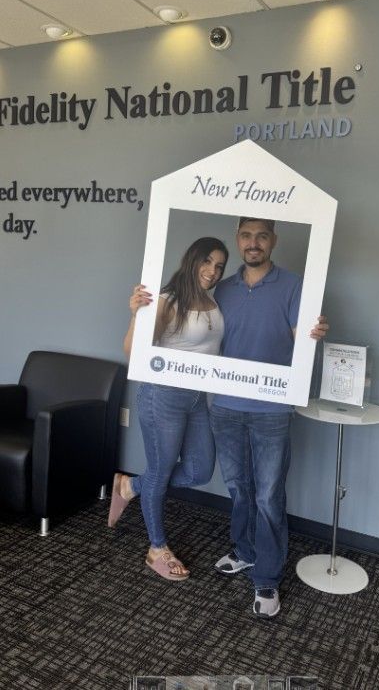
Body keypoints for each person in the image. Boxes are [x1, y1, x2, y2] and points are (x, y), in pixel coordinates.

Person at [210, 217, 328, 618]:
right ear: (237, 239)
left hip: (272, 409)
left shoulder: (295, 286)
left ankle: (267, 577)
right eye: (246, 235)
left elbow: (300, 342)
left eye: (262, 235)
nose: (254, 242)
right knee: (238, 487)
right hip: (225, 404)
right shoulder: (222, 288)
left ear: (273, 241)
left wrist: (313, 335)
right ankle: (244, 551)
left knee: (267, 495)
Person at [108, 237, 228, 581]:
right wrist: (135, 315)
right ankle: (156, 549)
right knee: (160, 474)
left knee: (200, 470)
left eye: (219, 265)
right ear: (191, 260)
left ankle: (130, 488)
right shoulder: (168, 300)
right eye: (207, 262)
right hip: (162, 397)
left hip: (196, 399)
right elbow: (134, 349)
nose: (212, 271)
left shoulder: (212, 302)